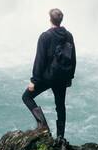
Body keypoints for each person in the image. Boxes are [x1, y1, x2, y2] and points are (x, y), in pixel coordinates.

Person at [22, 8, 76, 140]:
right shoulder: (69, 35)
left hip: (48, 77)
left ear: (50, 19)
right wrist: (70, 77)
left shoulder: (45, 36)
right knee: (60, 106)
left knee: (26, 97)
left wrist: (34, 81)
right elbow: (73, 58)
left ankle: (43, 126)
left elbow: (39, 60)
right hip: (62, 77)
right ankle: (60, 138)